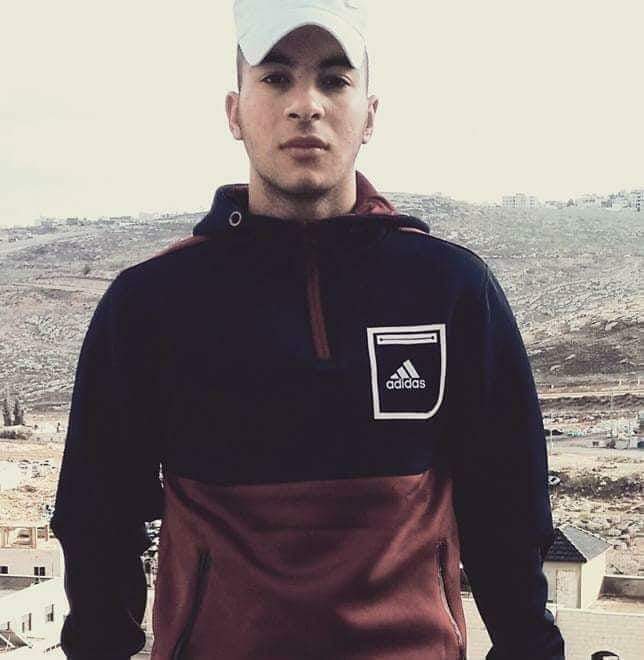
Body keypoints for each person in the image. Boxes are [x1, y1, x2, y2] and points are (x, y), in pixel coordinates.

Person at [50, 1, 566, 658]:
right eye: (275, 77)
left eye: (333, 78)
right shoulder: (150, 303)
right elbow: (99, 518)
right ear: (234, 112)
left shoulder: (452, 290)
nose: (306, 105)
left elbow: (507, 512)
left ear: (369, 114)